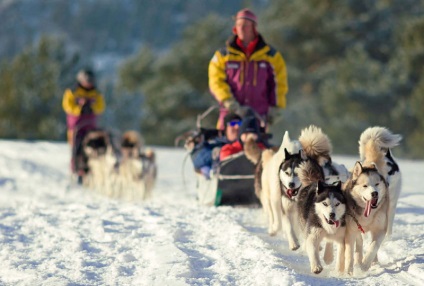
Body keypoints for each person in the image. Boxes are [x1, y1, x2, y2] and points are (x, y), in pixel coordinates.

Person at [208, 8, 288, 130]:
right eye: (238, 25)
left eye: (245, 25)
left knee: (256, 147)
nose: (241, 28)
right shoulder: (222, 55)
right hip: (231, 117)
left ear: (254, 28)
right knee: (228, 147)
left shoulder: (271, 56)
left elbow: (279, 83)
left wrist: (276, 107)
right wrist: (228, 101)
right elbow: (215, 81)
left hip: (258, 118)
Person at [191, 113, 242, 179]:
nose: (237, 127)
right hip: (223, 179)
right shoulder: (216, 142)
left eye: (240, 123)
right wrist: (213, 154)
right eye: (233, 124)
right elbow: (196, 159)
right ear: (226, 128)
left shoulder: (246, 142)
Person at [62, 69, 106, 146]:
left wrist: (91, 107)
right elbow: (67, 106)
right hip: (75, 125)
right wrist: (79, 108)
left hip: (90, 125)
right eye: (87, 80)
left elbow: (101, 107)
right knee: (76, 144)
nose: (89, 83)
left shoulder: (96, 93)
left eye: (91, 80)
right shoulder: (72, 91)